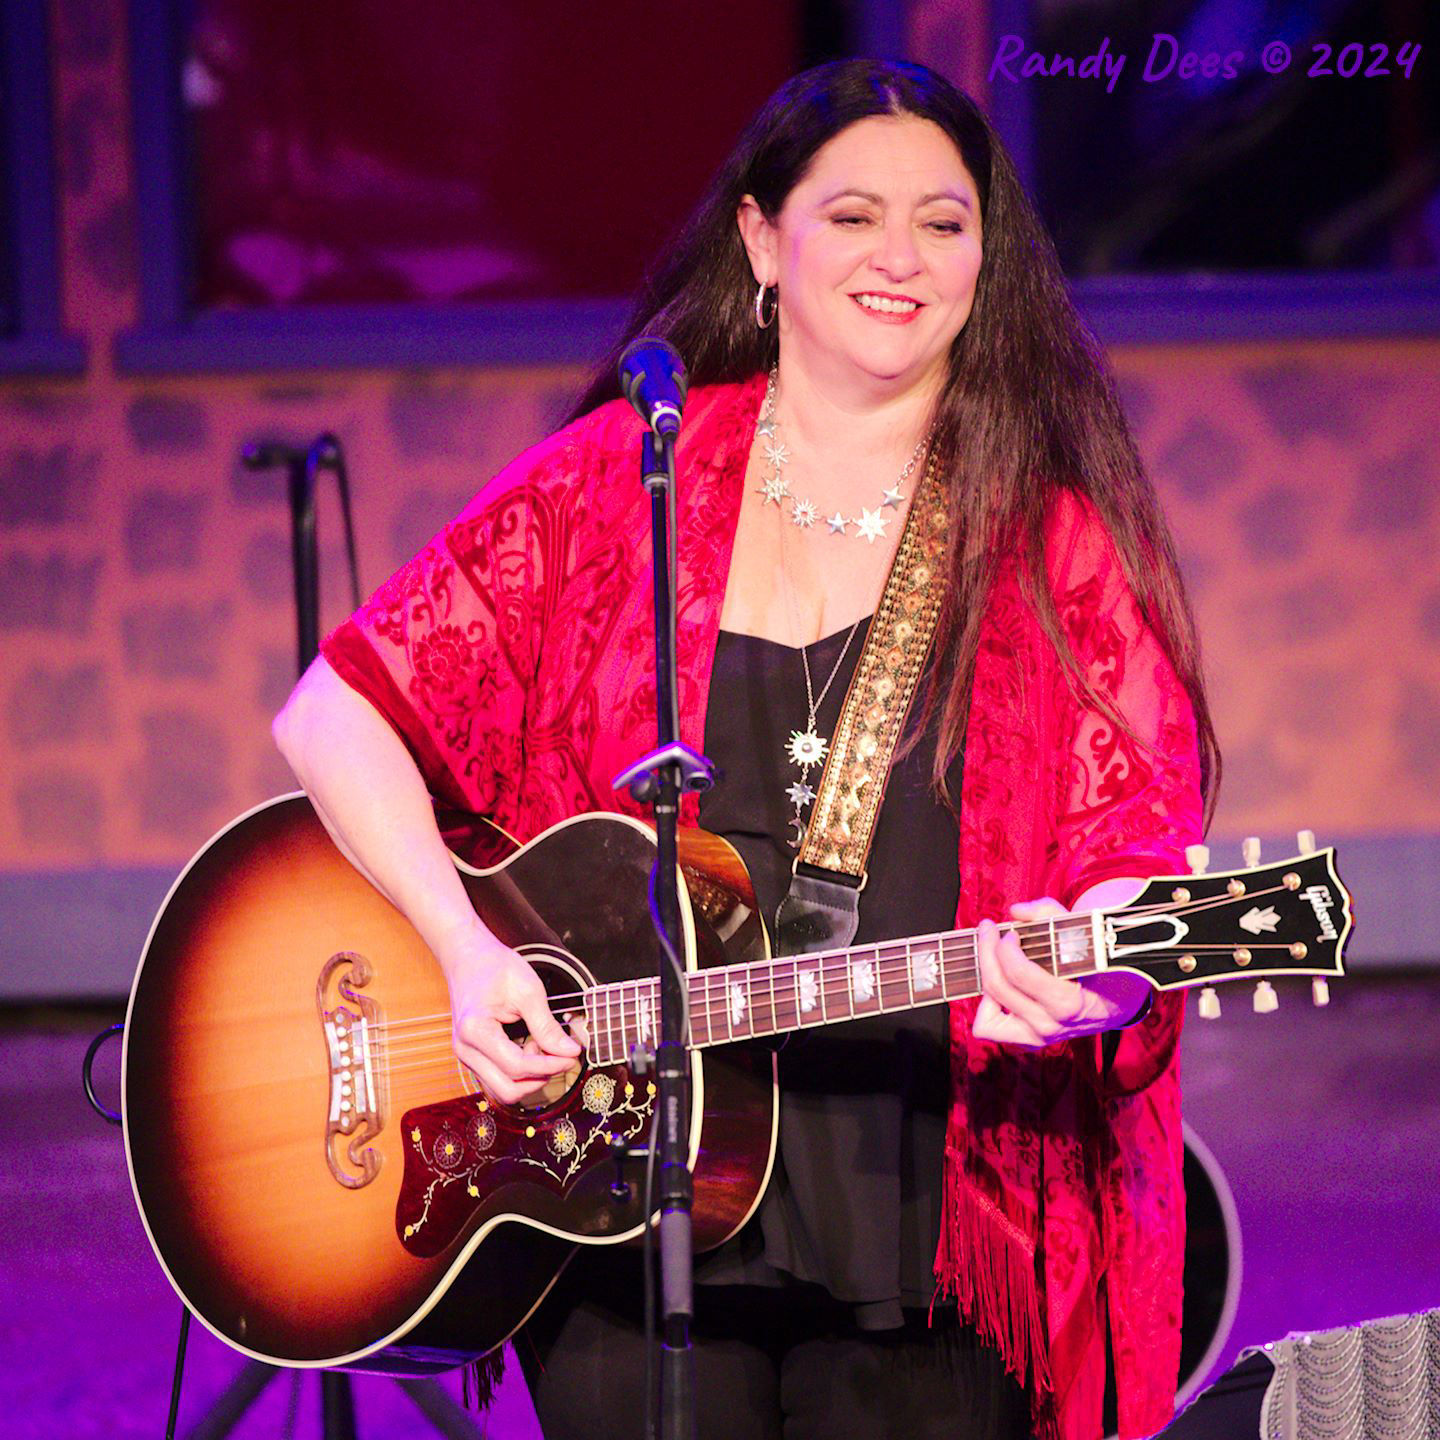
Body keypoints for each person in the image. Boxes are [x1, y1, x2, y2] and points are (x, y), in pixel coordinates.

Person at [273, 59, 1218, 1440]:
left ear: (986, 261)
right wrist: (465, 952)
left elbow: (1133, 847)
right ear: (765, 241)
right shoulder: (620, 483)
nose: (902, 256)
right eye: (853, 216)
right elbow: (333, 712)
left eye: (945, 224)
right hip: (615, 1197)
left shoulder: (1043, 538)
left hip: (926, 1215)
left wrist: (1104, 970)